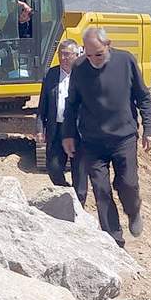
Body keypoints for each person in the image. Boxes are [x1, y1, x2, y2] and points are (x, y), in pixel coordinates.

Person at [63, 26, 151, 247]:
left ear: (108, 45)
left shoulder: (126, 61)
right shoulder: (79, 67)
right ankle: (114, 239)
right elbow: (72, 104)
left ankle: (133, 212)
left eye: (99, 54)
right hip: (92, 141)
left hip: (124, 138)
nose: (93, 59)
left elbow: (143, 97)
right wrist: (68, 135)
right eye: (89, 54)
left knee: (128, 184)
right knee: (101, 191)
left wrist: (149, 130)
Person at [36, 38, 85, 196]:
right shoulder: (51, 74)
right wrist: (39, 128)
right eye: (61, 54)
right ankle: (67, 192)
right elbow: (42, 103)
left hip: (79, 132)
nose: (63, 58)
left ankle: (79, 206)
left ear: (76, 55)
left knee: (80, 172)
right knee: (54, 168)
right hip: (57, 130)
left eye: (67, 55)